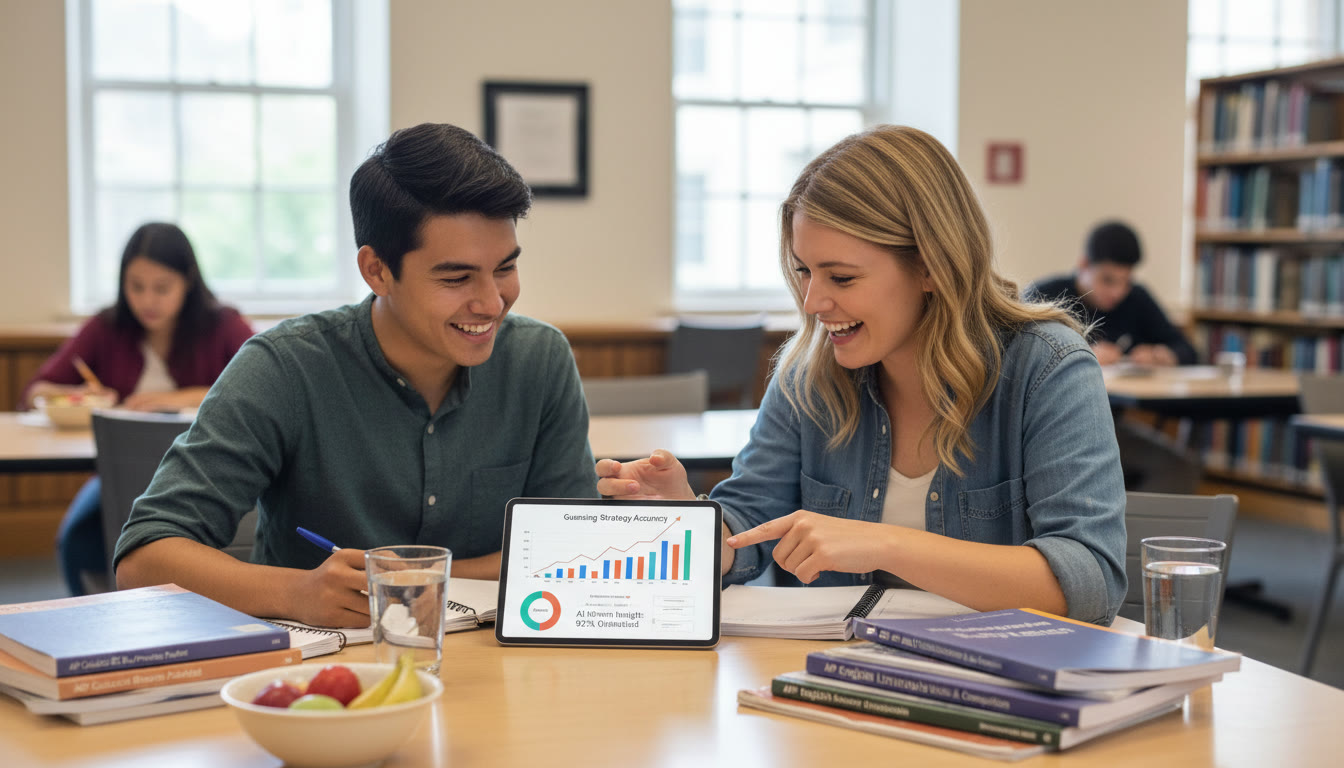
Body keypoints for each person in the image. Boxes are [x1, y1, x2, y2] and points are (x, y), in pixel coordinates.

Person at [597, 126, 1127, 625]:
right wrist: (686, 525)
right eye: (805, 271)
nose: (813, 302)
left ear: (931, 266)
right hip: (836, 675)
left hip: (997, 678)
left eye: (842, 277)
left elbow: (1090, 582)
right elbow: (749, 522)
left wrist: (885, 544)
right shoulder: (807, 376)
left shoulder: (1047, 368)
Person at [114, 123, 599, 628]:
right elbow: (143, 559)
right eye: (457, 278)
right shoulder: (285, 367)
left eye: (504, 269)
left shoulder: (539, 359)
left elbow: (570, 545)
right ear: (377, 271)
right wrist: (296, 592)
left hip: (496, 659)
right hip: (322, 664)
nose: (492, 303)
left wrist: (404, 581)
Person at [21, 222, 254, 596]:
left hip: (207, 474)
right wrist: (79, 396)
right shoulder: (107, 327)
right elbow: (36, 391)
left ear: (188, 283)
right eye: (136, 286)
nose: (148, 300)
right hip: (119, 474)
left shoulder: (223, 324)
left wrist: (178, 398)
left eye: (162, 288)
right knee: (75, 539)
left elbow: (260, 390)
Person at [1027, 221, 1197, 367]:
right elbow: (1024, 356)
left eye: (1126, 281)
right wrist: (1081, 354)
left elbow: (1188, 351)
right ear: (1084, 265)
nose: (1117, 292)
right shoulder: (1044, 296)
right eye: (1107, 280)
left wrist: (1162, 355)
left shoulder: (1137, 298)